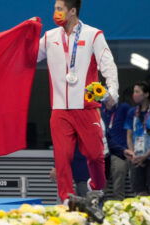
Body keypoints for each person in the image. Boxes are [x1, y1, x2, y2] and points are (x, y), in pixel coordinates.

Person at [36, 0, 119, 203]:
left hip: (86, 107)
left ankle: (95, 186)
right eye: (55, 8)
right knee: (62, 158)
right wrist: (24, 34)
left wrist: (113, 94)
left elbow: (108, 65)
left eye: (59, 9)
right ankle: (65, 199)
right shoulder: (49, 37)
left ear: (72, 11)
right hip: (60, 110)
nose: (55, 12)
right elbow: (27, 57)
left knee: (95, 155)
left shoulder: (93, 35)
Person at [101, 93, 132, 200]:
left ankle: (119, 210)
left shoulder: (123, 108)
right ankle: (99, 208)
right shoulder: (99, 109)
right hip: (103, 150)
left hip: (120, 151)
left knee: (118, 183)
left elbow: (134, 121)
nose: (110, 98)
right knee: (100, 185)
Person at [125, 81, 150, 196]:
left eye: (137, 92)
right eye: (133, 92)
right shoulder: (132, 112)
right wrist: (133, 153)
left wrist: (146, 155)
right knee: (139, 191)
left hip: (148, 156)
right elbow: (129, 135)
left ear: (146, 94)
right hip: (137, 157)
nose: (134, 94)